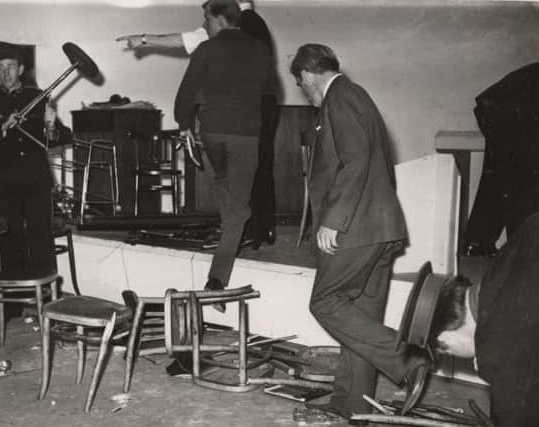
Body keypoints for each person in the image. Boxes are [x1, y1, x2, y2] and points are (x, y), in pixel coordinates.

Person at [290, 44, 428, 421]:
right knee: (360, 318)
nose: (305, 93)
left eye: (301, 84)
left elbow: (356, 160)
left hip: (357, 228)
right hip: (378, 228)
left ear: (308, 74)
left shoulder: (340, 98)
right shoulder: (356, 96)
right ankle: (351, 407)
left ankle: (407, 358)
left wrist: (334, 219)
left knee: (326, 302)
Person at [118, 0, 280, 249]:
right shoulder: (249, 24)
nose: (206, 21)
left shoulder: (237, 25)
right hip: (257, 108)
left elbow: (188, 41)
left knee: (242, 175)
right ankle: (255, 228)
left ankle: (245, 230)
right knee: (255, 169)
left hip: (248, 110)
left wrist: (143, 39)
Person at [174, 0, 274, 308]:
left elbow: (186, 93)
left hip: (213, 133)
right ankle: (216, 279)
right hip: (245, 134)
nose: (204, 23)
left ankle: (224, 249)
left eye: (206, 17)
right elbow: (270, 93)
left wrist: (185, 126)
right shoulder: (259, 49)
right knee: (240, 209)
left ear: (220, 18)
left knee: (226, 188)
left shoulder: (207, 49)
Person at [430, 211, 539, 427]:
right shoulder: (497, 272)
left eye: (445, 350)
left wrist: (491, 360)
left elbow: (516, 415)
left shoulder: (497, 341)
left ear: (447, 334)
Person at [0, 42, 70, 281]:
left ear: (21, 69)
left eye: (11, 66)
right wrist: (2, 128)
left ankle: (46, 299)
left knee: (41, 239)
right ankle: (13, 303)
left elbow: (58, 137)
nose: (5, 72)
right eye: (1, 67)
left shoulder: (36, 96)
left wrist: (50, 123)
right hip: (5, 182)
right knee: (10, 238)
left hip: (37, 180)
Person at [462, 62, 539, 257]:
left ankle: (479, 243)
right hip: (507, 116)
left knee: (500, 184)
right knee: (519, 195)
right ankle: (483, 245)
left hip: (506, 114)